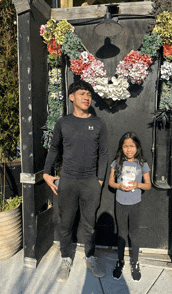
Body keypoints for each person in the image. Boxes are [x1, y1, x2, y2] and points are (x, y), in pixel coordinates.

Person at [43, 80, 109, 283]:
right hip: (68, 181)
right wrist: (46, 173)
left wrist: (99, 180)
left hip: (90, 182)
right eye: (82, 93)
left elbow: (104, 153)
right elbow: (54, 149)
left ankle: (90, 257)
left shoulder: (98, 123)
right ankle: (65, 259)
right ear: (71, 97)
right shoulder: (63, 123)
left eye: (88, 94)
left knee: (89, 225)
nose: (86, 97)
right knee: (65, 223)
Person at [109, 132, 151, 281]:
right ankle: (120, 261)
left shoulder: (142, 164)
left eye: (132, 146)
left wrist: (138, 184)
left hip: (135, 204)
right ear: (121, 147)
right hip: (120, 203)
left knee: (134, 234)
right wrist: (119, 186)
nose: (128, 149)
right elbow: (111, 183)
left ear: (137, 147)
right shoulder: (117, 163)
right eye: (125, 146)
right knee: (121, 233)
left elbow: (148, 185)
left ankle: (135, 262)